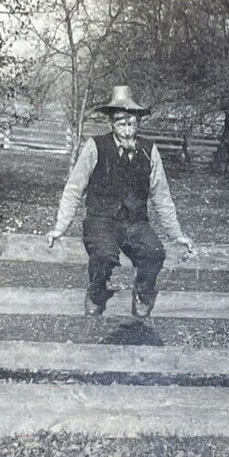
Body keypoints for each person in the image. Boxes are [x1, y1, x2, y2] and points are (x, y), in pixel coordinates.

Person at [46, 86, 196, 317]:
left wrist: (176, 234)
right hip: (101, 220)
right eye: (121, 123)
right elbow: (74, 188)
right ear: (111, 124)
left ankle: (143, 294)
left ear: (138, 124)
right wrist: (60, 227)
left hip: (135, 223)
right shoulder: (95, 146)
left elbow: (161, 195)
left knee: (154, 252)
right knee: (104, 256)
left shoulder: (149, 150)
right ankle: (96, 292)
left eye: (132, 124)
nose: (127, 130)